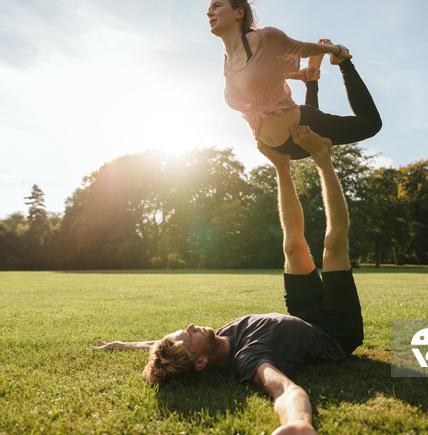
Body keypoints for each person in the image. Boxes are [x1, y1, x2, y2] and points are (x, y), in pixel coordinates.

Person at [91, 126, 364, 435]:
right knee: (333, 244)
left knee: (291, 245)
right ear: (200, 363)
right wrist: (298, 424)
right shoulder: (249, 359)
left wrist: (122, 345)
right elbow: (285, 390)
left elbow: (157, 344)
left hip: (305, 315)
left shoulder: (211, 340)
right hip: (335, 332)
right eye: (189, 336)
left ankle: (281, 166)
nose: (192, 326)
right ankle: (322, 157)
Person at [209, 0, 382, 160]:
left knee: (372, 124)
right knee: (309, 112)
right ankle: (310, 79)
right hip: (284, 150)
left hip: (304, 127)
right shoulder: (227, 63)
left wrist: (336, 50)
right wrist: (296, 75)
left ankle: (344, 64)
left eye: (216, 6)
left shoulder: (267, 38)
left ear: (239, 12)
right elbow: (259, 76)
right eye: (209, 9)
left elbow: (303, 48)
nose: (209, 12)